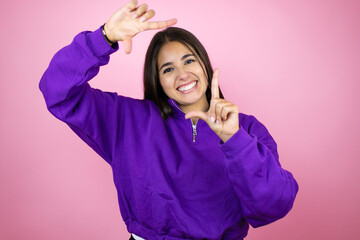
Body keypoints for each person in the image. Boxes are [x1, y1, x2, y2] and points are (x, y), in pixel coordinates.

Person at [39, 0, 299, 239]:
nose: (183, 74)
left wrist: (234, 140)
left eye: (189, 61)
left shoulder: (246, 129)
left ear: (205, 65)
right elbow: (57, 91)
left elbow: (273, 206)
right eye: (168, 69)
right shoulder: (125, 120)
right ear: (158, 80)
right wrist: (103, 38)